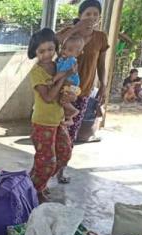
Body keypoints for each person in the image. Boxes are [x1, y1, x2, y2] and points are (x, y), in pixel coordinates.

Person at [56, 0, 109, 182]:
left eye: (95, 14)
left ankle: (61, 170)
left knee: (71, 131)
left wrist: (103, 83)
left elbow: (101, 64)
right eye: (88, 14)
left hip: (83, 90)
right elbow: (52, 43)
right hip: (60, 90)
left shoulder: (101, 37)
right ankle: (47, 167)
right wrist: (75, 28)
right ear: (80, 16)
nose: (91, 18)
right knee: (54, 129)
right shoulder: (68, 33)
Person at [28, 28, 75, 202]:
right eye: (41, 51)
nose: (47, 54)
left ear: (56, 47)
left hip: (58, 119)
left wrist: (71, 92)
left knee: (64, 153)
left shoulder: (60, 65)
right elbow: (48, 97)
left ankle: (36, 182)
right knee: (47, 161)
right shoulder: (36, 72)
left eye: (50, 49)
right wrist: (64, 77)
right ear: (34, 52)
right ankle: (36, 190)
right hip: (42, 122)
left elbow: (68, 88)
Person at [52, 35, 85, 123]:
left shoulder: (70, 60)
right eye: (63, 48)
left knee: (63, 100)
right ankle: (70, 119)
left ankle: (74, 111)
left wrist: (53, 80)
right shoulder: (62, 59)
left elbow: (62, 73)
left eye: (69, 50)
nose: (65, 51)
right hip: (68, 84)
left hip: (71, 85)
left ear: (77, 53)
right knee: (62, 101)